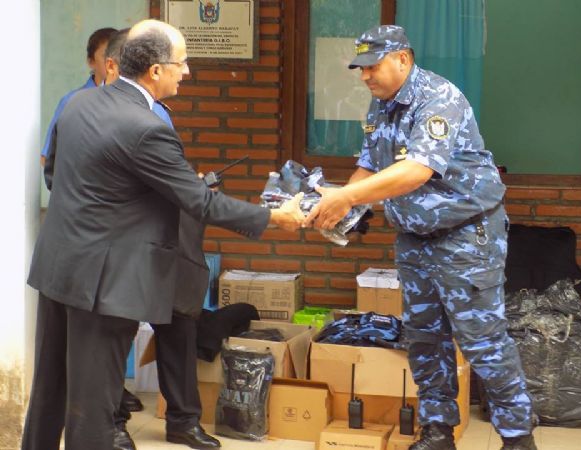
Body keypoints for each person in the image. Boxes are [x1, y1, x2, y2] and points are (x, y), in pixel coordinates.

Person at [22, 19, 305, 450]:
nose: (187, 71)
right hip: (105, 283)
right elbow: (201, 202)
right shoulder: (146, 128)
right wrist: (275, 219)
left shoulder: (81, 103)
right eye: (181, 63)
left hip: (60, 267)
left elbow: (60, 174)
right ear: (155, 70)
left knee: (50, 392)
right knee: (93, 410)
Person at [304, 25, 537, 450]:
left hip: (466, 235)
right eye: (361, 68)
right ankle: (437, 431)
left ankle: (518, 437)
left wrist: (347, 196)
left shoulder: (438, 98)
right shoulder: (380, 107)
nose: (365, 76)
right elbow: (370, 169)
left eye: (373, 66)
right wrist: (342, 209)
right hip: (415, 238)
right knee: (424, 338)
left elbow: (416, 171)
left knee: (482, 340)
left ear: (403, 59)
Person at [102, 28, 221, 450]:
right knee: (117, 328)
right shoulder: (84, 109)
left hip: (172, 233)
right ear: (107, 63)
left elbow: (173, 173)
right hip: (128, 240)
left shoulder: (158, 110)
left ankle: (184, 421)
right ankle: (113, 422)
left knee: (179, 320)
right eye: (180, 64)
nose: (186, 72)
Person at [40, 26, 117, 167]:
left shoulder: (143, 102)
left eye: (119, 55)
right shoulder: (71, 101)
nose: (113, 61)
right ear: (91, 61)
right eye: (106, 55)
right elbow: (48, 157)